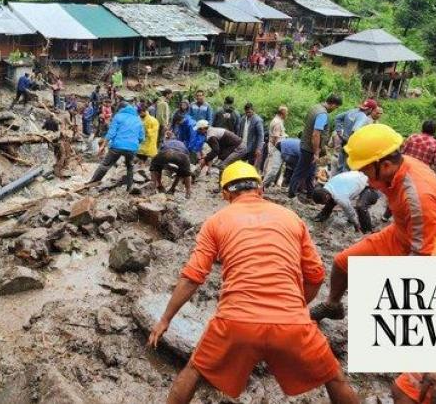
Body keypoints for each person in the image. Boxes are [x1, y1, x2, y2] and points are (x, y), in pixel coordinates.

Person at [148, 161, 358, 404]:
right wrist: (296, 307)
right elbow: (316, 275)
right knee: (334, 378)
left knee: (194, 370)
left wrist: (165, 320)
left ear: (226, 193)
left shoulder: (216, 221)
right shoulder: (291, 217)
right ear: (260, 189)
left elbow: (192, 276)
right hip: (292, 322)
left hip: (235, 321)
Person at [310, 124, 436, 322]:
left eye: (366, 172)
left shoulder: (418, 196)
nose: (366, 181)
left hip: (433, 247)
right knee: (342, 262)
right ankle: (332, 305)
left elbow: (422, 258)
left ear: (385, 165)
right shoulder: (398, 166)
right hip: (401, 232)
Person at [288, 95, 342, 200]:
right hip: (310, 148)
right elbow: (316, 134)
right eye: (336, 107)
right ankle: (291, 194)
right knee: (300, 171)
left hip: (305, 144)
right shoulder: (322, 114)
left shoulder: (315, 107)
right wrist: (316, 152)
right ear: (333, 104)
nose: (335, 110)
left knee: (311, 172)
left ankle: (310, 195)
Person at [88, 103, 144, 191]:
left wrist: (103, 146)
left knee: (105, 164)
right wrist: (134, 144)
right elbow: (141, 138)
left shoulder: (118, 116)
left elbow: (111, 133)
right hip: (132, 148)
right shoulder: (138, 120)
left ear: (121, 109)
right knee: (130, 167)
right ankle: (129, 188)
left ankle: (92, 182)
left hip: (117, 146)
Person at [311, 171, 379, 233]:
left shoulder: (340, 198)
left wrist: (356, 224)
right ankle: (323, 215)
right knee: (331, 200)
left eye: (323, 203)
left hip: (370, 185)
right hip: (358, 175)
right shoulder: (327, 187)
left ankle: (368, 230)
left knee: (360, 206)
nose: (323, 204)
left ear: (326, 197)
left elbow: (350, 211)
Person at [334, 100, 381, 172]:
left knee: (340, 166)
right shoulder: (363, 117)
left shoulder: (353, 111)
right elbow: (355, 130)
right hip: (351, 145)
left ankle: (336, 181)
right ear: (371, 109)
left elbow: (338, 117)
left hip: (343, 141)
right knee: (347, 168)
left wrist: (339, 131)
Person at [197, 126, 246, 191]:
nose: (198, 132)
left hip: (239, 148)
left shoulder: (211, 136)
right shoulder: (212, 130)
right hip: (234, 147)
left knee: (222, 166)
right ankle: (226, 186)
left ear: (203, 129)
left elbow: (216, 151)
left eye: (199, 130)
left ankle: (224, 187)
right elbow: (219, 148)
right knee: (223, 164)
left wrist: (205, 159)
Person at [237, 102, 264, 169]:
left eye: (249, 112)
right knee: (240, 162)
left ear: (253, 110)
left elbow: (261, 135)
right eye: (246, 112)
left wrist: (259, 148)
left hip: (252, 147)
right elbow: (239, 131)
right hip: (242, 145)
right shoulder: (243, 119)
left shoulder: (258, 120)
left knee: (251, 165)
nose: (248, 114)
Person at [264, 106, 288, 175]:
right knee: (272, 165)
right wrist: (279, 149)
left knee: (269, 162)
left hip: (273, 146)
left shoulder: (278, 120)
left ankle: (265, 178)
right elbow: (276, 137)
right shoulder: (277, 122)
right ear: (283, 113)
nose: (287, 114)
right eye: (286, 113)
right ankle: (266, 181)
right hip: (275, 147)